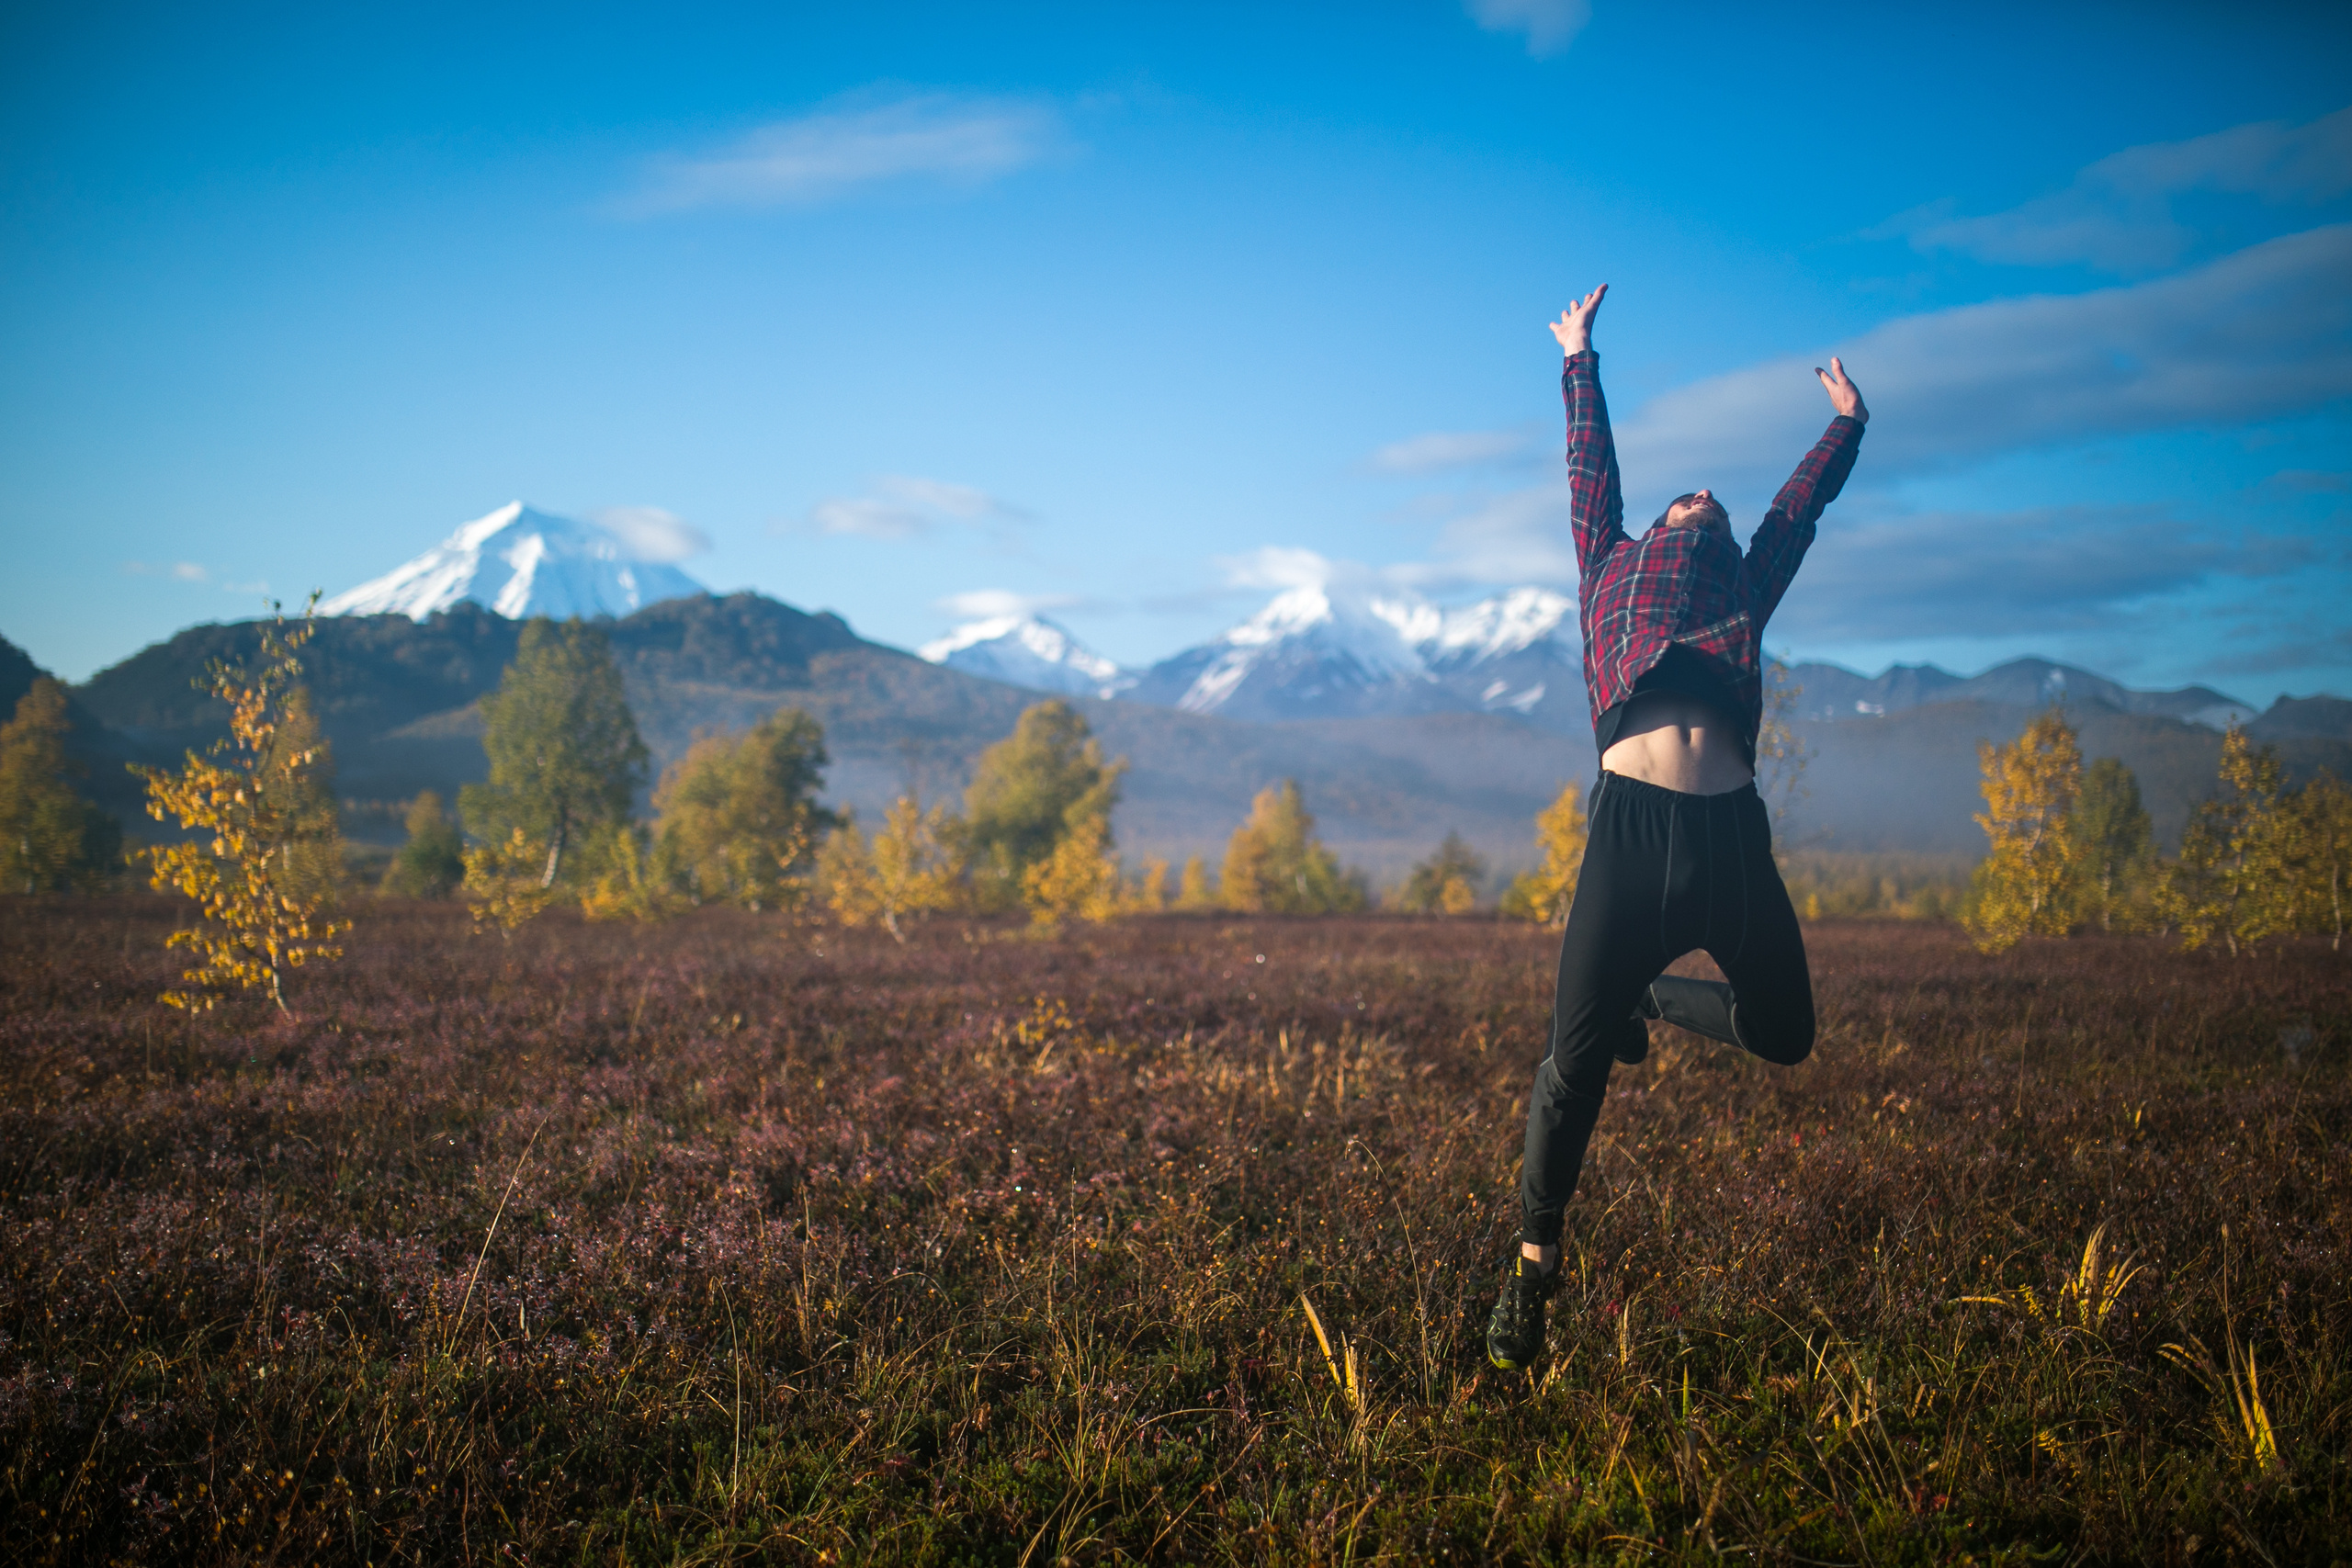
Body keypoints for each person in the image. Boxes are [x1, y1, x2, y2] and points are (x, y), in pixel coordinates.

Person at [1487, 283, 1869, 1371]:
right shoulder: (1609, 568)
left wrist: (1845, 425)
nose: (1707, 494)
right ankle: (1530, 1270)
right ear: (1658, 526)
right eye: (1690, 493)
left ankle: (1645, 995)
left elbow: (1795, 513)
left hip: (1732, 841)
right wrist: (1578, 354)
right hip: (1632, 835)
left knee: (1786, 1031)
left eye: (1717, 495)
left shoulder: (1742, 585)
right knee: (1571, 1067)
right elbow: (1587, 471)